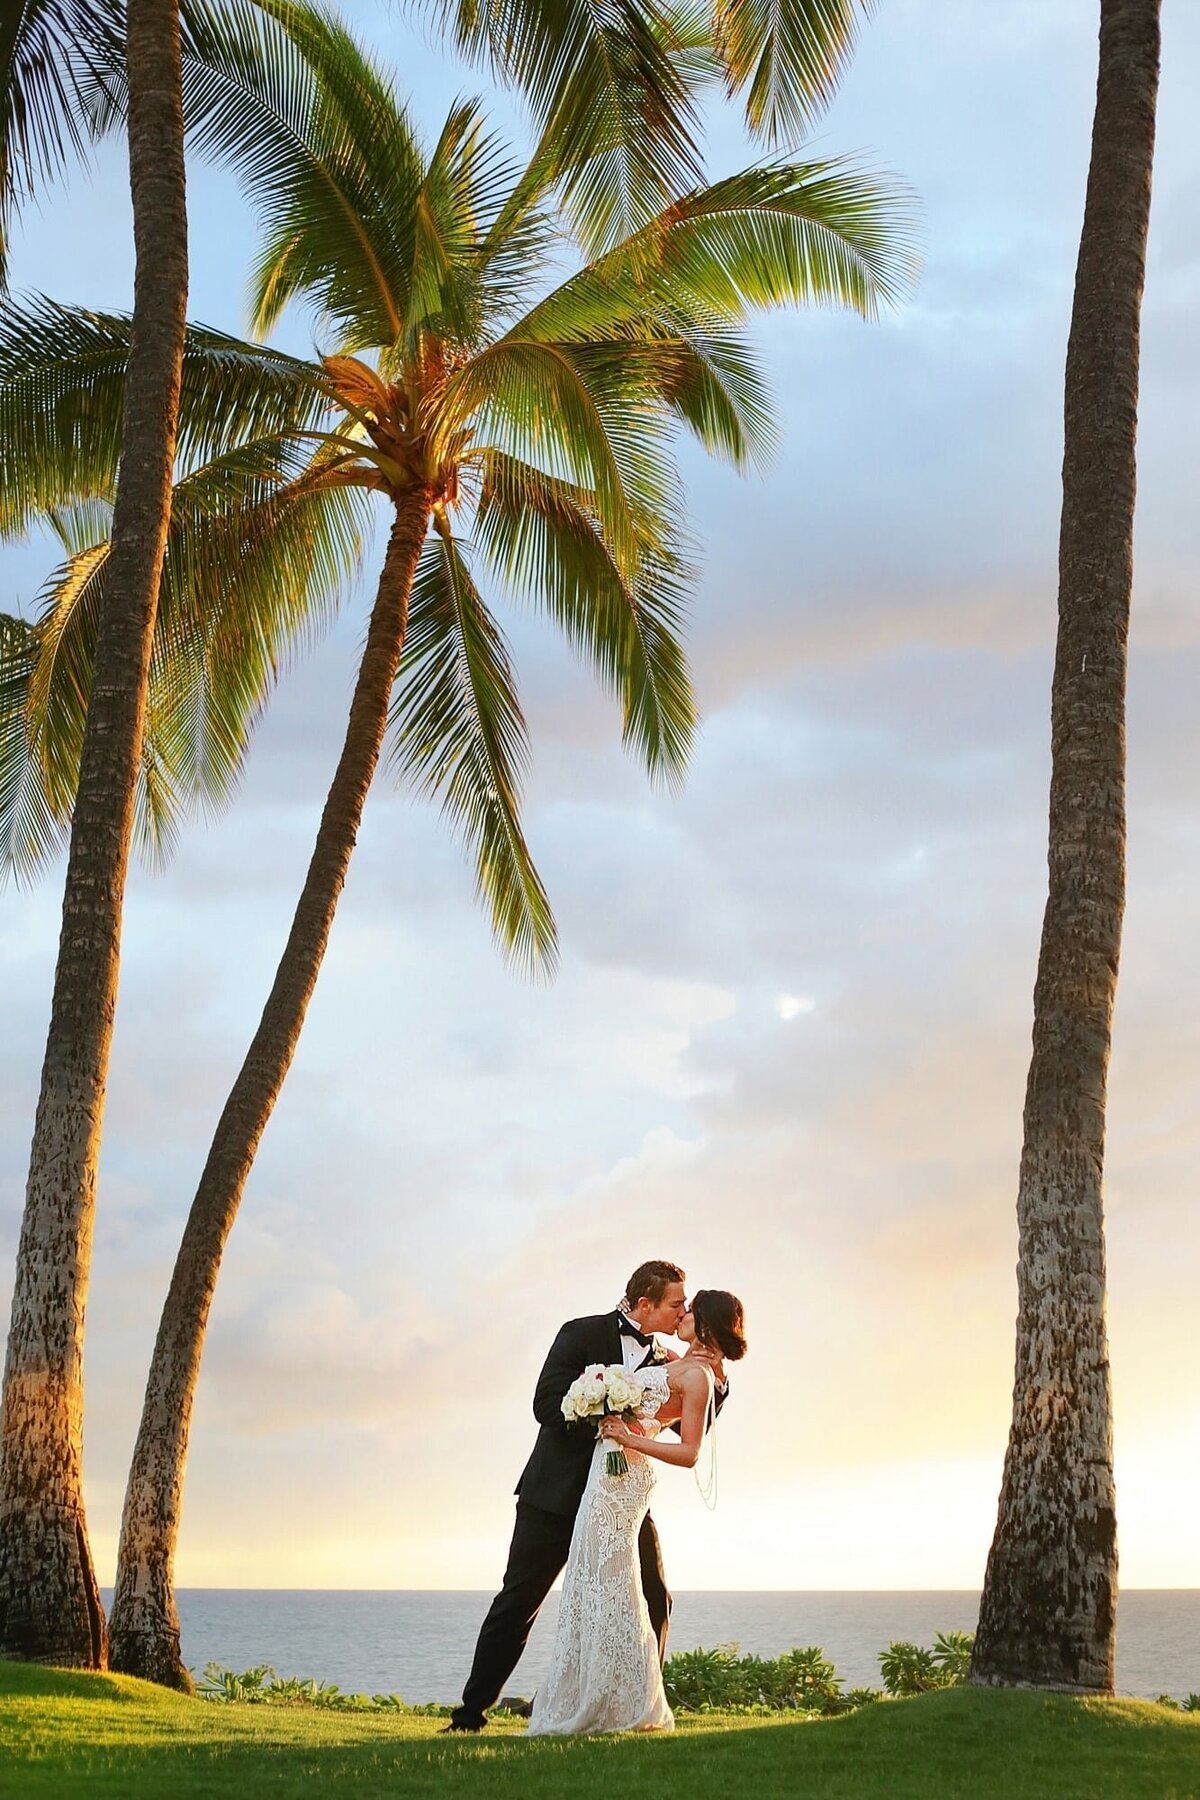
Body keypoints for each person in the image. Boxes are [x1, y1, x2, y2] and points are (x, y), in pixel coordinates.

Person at [447, 1260, 721, 1733]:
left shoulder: (669, 1362)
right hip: (554, 1495)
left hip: (620, 1498)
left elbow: (687, 1420)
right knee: (519, 1602)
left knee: (656, 1598)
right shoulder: (579, 1333)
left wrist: (716, 1383)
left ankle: (633, 1707)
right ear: (644, 1304)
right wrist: (601, 1412)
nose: (682, 1312)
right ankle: (470, 1716)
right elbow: (546, 1402)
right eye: (676, 1303)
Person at [526, 1290, 747, 1737]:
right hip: (605, 1475)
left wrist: (628, 1438)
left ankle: (622, 1700)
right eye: (679, 1306)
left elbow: (688, 1452)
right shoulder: (676, 1361)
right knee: (591, 1582)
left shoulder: (703, 1376)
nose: (681, 1314)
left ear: (705, 1324)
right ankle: (594, 1694)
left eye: (689, 1310)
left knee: (615, 1585)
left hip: (626, 1477)